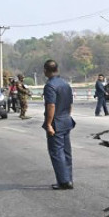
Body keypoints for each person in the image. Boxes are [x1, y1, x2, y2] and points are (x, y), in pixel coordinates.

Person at [42, 60, 75, 190]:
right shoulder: (65, 84)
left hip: (56, 122)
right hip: (66, 120)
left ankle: (64, 181)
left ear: (45, 70)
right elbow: (70, 104)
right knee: (66, 152)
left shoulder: (50, 86)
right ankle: (68, 178)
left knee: (56, 152)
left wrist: (48, 124)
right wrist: (67, 116)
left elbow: (51, 105)